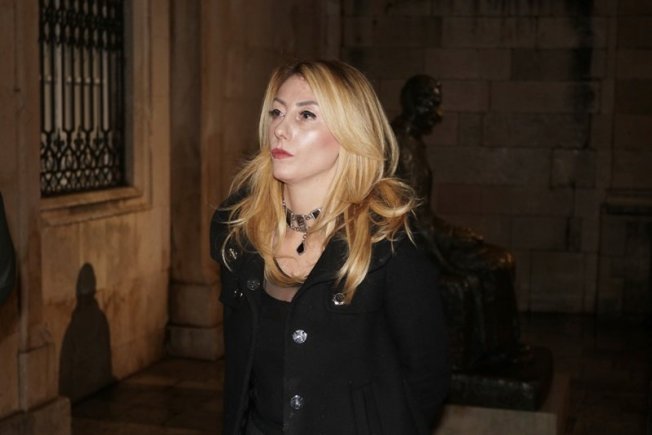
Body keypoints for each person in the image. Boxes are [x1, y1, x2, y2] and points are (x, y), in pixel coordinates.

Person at [210, 60, 449, 435]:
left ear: (350, 133)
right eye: (277, 112)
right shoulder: (239, 229)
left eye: (306, 115)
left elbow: (427, 373)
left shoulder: (388, 240)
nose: (280, 129)